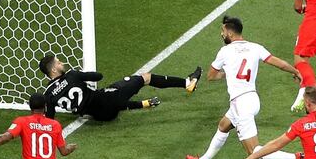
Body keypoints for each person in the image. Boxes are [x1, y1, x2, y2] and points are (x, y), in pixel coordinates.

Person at [186, 15, 303, 159]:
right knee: (223, 125)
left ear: (230, 33)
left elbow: (211, 76)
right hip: (251, 99)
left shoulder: (225, 51)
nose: (222, 34)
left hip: (241, 104)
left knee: (253, 152)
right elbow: (279, 63)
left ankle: (294, 158)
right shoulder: (255, 47)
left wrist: (227, 72)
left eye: (223, 31)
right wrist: (295, 71)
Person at [38, 54, 201, 122]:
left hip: (99, 117)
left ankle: (143, 103)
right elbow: (98, 76)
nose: (62, 64)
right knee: (145, 77)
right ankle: (188, 83)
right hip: (109, 102)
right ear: (53, 70)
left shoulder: (48, 94)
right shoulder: (71, 75)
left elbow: (50, 120)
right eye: (59, 63)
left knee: (112, 91)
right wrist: (80, 76)